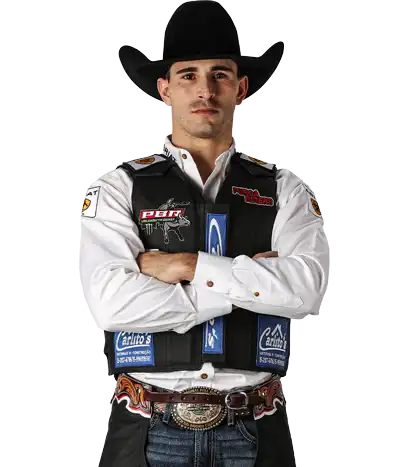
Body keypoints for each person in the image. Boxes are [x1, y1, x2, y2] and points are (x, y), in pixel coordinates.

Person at [79, 1, 330, 466]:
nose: (205, 90)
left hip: (257, 423)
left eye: (220, 74)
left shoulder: (285, 189)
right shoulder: (118, 188)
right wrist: (250, 282)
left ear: (241, 87)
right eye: (188, 75)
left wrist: (188, 266)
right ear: (164, 89)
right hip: (145, 425)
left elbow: (306, 290)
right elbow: (111, 303)